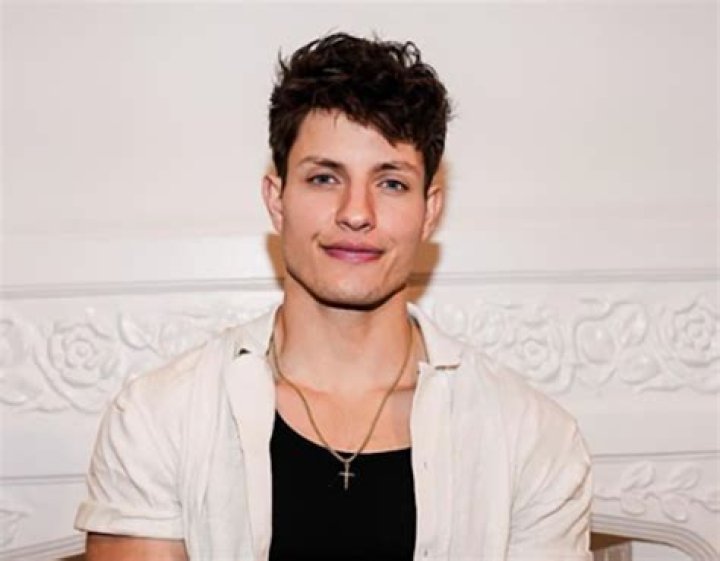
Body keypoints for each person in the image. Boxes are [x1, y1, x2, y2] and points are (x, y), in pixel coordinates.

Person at [75, 32, 592, 561]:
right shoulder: (159, 419)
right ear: (277, 199)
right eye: (324, 178)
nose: (356, 213)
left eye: (391, 183)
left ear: (430, 210)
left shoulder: (531, 439)